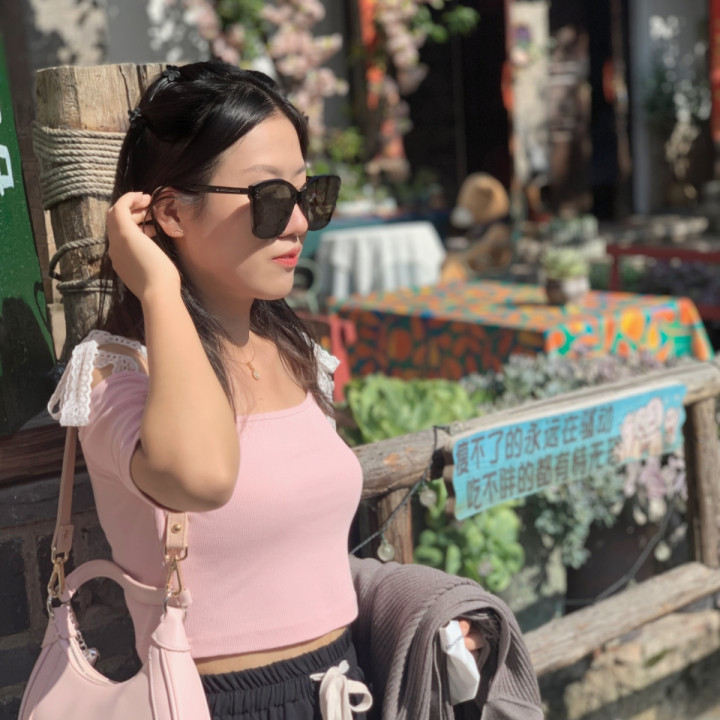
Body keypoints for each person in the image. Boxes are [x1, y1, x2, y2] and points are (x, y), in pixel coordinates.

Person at [47, 61, 485, 720]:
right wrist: (159, 289)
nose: (300, 222)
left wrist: (423, 615)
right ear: (170, 211)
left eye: (309, 195)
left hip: (346, 686)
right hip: (216, 702)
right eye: (271, 197)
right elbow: (198, 479)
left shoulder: (294, 352)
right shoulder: (116, 373)